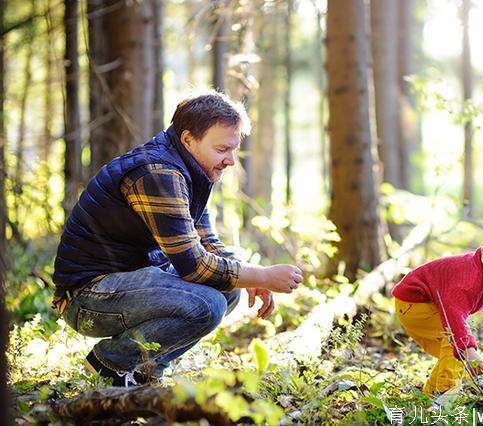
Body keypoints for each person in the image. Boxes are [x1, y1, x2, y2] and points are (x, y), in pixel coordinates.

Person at [52, 90, 303, 387]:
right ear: (188, 139)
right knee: (208, 304)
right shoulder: (158, 173)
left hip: (126, 283)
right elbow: (194, 266)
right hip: (87, 296)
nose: (231, 160)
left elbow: (206, 241)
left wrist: (251, 277)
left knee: (229, 291)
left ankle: (146, 370)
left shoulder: (190, 170)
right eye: (222, 149)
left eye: (233, 150)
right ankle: (110, 363)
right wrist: (260, 274)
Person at [391, 226, 483, 395]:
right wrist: (468, 350)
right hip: (415, 303)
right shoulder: (466, 281)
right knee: (456, 343)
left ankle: (431, 393)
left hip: (420, 304)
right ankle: (445, 393)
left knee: (452, 349)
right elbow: (453, 313)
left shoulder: (481, 268)